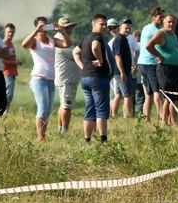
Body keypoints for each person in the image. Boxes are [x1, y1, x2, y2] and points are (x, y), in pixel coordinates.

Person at [22, 16, 72, 142]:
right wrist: (35, 31)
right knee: (43, 108)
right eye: (41, 26)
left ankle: (43, 135)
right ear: (37, 27)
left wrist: (62, 31)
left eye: (45, 25)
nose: (43, 28)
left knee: (48, 111)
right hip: (39, 78)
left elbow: (67, 44)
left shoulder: (52, 40)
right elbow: (24, 44)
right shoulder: (34, 41)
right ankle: (41, 137)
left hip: (50, 79)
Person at [145, 13, 178, 126]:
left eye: (173, 22)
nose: (171, 24)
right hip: (166, 69)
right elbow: (148, 45)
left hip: (176, 68)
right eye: (169, 22)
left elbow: (175, 47)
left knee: (174, 96)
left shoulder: (173, 35)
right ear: (164, 23)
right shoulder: (161, 34)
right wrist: (159, 55)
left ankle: (173, 120)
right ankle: (165, 121)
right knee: (168, 97)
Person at [73, 14, 112, 143]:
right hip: (98, 77)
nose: (105, 27)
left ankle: (87, 140)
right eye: (102, 24)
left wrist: (83, 66)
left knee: (89, 109)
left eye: (105, 24)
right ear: (94, 24)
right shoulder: (97, 37)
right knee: (101, 110)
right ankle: (103, 140)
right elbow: (95, 46)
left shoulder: (86, 37)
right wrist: (100, 60)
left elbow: (75, 52)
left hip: (85, 78)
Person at [53, 16, 81, 134]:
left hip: (66, 78)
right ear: (59, 28)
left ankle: (61, 130)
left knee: (63, 104)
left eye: (70, 27)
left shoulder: (63, 40)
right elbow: (77, 54)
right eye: (66, 27)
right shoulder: (61, 41)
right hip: (66, 79)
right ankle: (64, 131)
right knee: (67, 106)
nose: (69, 29)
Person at [137, 6, 164, 122]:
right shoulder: (156, 31)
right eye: (160, 17)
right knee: (157, 92)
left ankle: (146, 118)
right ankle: (162, 118)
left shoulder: (145, 27)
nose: (162, 19)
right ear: (153, 17)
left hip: (142, 63)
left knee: (148, 94)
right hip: (150, 64)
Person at [110, 18, 136, 118]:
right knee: (128, 95)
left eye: (129, 28)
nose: (128, 30)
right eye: (126, 28)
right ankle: (128, 116)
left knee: (119, 94)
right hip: (121, 72)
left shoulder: (124, 39)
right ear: (120, 27)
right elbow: (118, 56)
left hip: (123, 71)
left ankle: (113, 115)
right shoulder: (119, 39)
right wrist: (123, 72)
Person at [1, 23, 23, 112]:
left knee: (10, 95)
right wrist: (16, 62)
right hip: (6, 72)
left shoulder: (11, 43)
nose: (10, 34)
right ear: (5, 32)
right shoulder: (3, 44)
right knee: (8, 95)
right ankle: (2, 112)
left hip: (12, 72)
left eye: (12, 32)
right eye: (9, 32)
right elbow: (1, 60)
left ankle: (5, 112)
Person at [132, 29, 145, 115]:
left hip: (132, 71)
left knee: (132, 94)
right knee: (140, 94)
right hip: (141, 71)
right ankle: (140, 111)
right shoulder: (142, 45)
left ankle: (131, 111)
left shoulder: (131, 46)